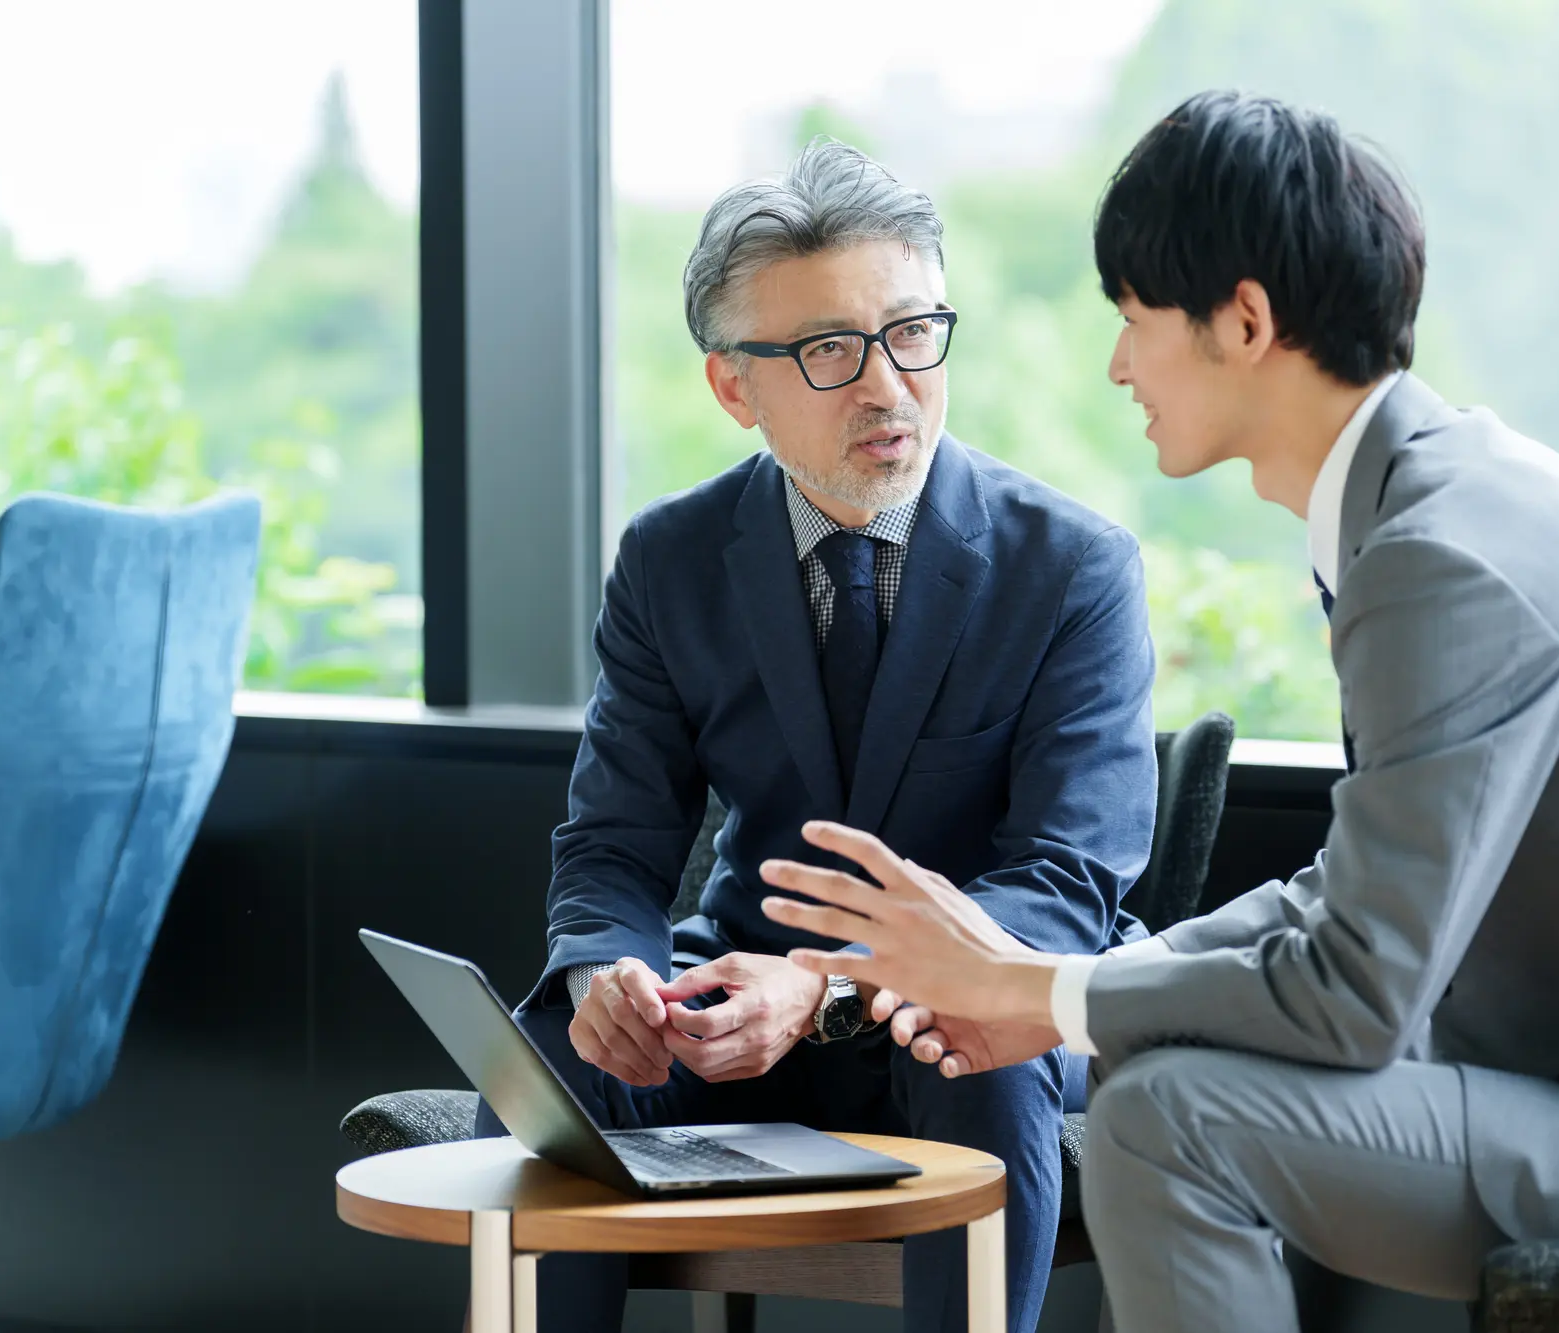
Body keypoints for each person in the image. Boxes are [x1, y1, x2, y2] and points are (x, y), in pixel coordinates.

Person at [758, 92, 1559, 1332]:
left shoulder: (1442, 554)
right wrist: (1046, 989)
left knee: (1165, 1120)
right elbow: (1347, 895)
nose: (1116, 365)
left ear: (1244, 321)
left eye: (1131, 318)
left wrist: (1038, 993)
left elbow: (1354, 990)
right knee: (1157, 1079)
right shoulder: (1429, 503)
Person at [473, 138, 1158, 1333]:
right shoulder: (671, 559)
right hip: (740, 996)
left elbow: (1064, 883)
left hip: (980, 1003)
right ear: (732, 387)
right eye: (831, 350)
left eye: (912, 333)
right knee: (547, 1065)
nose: (887, 385)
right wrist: (610, 977)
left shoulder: (1071, 567)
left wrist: (827, 985)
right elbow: (613, 842)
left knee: (972, 1054)